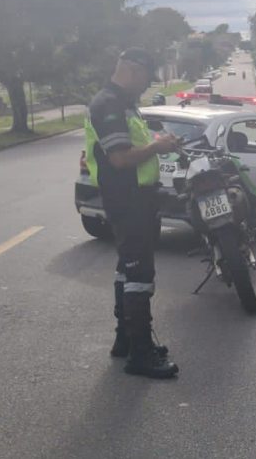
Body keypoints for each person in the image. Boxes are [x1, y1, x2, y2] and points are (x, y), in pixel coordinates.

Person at [85, 47, 181, 378]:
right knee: (139, 274)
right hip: (127, 200)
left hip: (135, 199)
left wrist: (158, 143)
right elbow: (120, 158)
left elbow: (129, 148)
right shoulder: (108, 104)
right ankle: (141, 354)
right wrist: (157, 147)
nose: (146, 85)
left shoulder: (122, 103)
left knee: (127, 269)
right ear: (132, 70)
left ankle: (125, 339)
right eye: (146, 78)